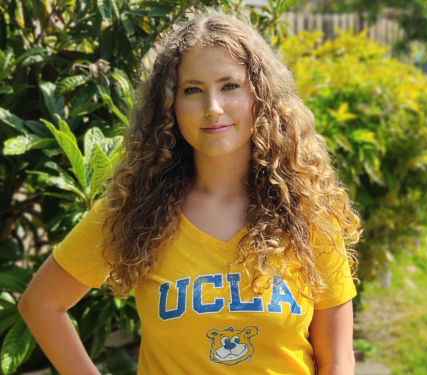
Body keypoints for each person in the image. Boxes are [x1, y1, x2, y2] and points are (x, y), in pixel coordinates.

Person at [18, 13, 361, 375]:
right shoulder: (135, 209)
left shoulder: (306, 212)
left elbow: (337, 360)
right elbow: (41, 304)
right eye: (193, 90)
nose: (213, 108)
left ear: (261, 96)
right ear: (169, 106)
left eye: (230, 86)